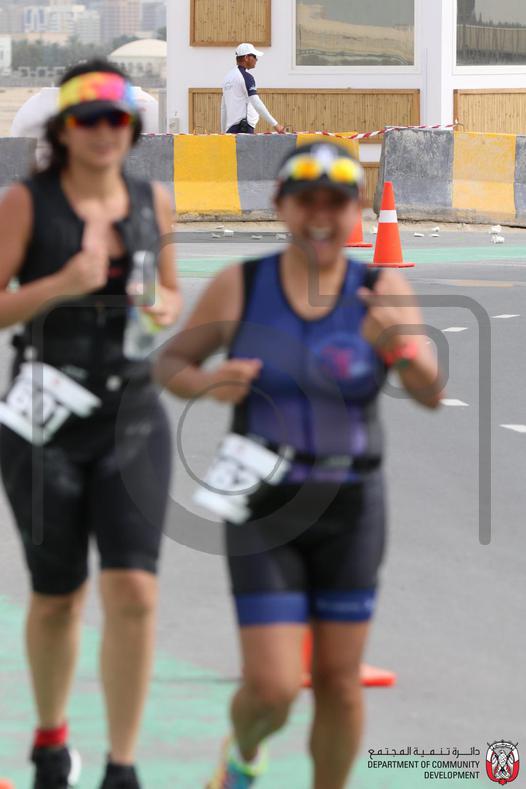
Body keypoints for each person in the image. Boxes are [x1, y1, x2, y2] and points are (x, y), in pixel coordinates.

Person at [156, 141, 443, 789]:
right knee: (274, 687)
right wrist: (210, 382)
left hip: (351, 504)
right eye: (305, 200)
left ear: (356, 210)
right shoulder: (243, 284)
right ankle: (243, 754)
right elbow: (170, 364)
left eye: (334, 202)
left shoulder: (380, 289)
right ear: (280, 205)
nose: (320, 215)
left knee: (339, 683)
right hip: (265, 503)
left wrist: (400, 347)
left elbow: (430, 392)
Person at [0, 60, 181, 789]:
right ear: (64, 130)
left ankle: (122, 765)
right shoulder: (27, 203)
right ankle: (51, 743)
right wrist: (62, 284)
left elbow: (171, 294)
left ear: (132, 128)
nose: (105, 132)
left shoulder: (152, 200)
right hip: (43, 422)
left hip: (131, 416)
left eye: (118, 120)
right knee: (58, 593)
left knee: (135, 591)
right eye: (89, 120)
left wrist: (158, 306)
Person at [221, 43, 286, 135]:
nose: (256, 59)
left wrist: (223, 132)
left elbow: (223, 107)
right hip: (244, 127)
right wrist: (276, 125)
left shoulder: (227, 77)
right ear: (246, 57)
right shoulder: (246, 77)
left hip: (230, 129)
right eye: (254, 56)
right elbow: (256, 102)